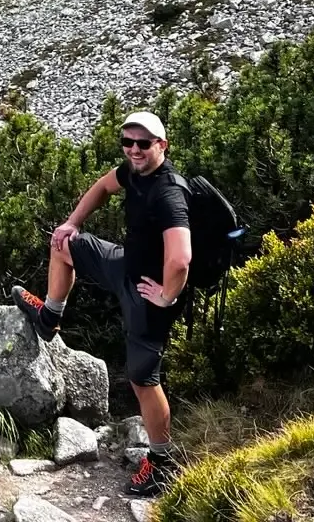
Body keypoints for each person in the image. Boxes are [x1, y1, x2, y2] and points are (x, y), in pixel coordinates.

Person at [10, 110, 191, 498]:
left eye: (143, 143)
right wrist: (72, 222)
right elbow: (102, 187)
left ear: (163, 145)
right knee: (63, 244)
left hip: (148, 296)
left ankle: (161, 463)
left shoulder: (168, 193)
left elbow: (181, 258)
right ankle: (49, 317)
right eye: (127, 143)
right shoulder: (134, 172)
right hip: (125, 267)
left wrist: (166, 295)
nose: (134, 150)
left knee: (144, 380)